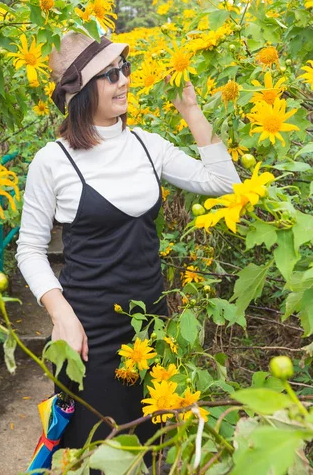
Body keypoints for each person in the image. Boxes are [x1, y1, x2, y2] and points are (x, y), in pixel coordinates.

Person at [15, 31, 241, 459]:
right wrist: (60, 315)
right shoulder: (53, 160)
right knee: (96, 451)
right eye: (109, 75)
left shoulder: (145, 144)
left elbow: (224, 184)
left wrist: (192, 111)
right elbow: (29, 248)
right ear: (81, 93)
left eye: (125, 69)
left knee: (151, 447)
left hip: (151, 325)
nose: (124, 81)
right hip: (88, 334)